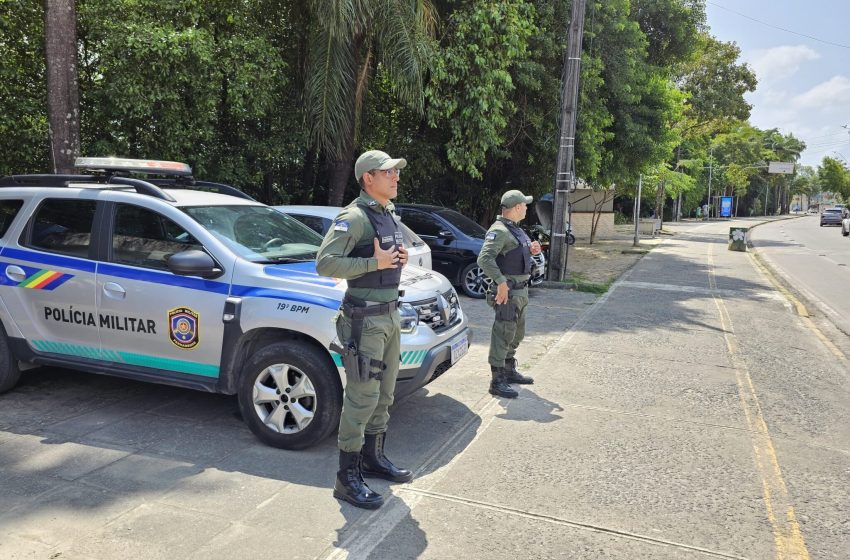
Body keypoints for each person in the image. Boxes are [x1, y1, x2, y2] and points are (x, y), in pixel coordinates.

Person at [315, 150, 412, 510]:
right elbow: (325, 263)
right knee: (361, 399)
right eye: (388, 172)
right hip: (364, 320)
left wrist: (395, 260)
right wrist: (377, 261)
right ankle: (346, 478)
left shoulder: (386, 215)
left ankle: (373, 459)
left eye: (395, 172)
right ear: (368, 178)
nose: (395, 177)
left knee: (385, 394)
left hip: (389, 315)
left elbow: (388, 260)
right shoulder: (354, 217)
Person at [476, 190, 543, 399]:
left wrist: (532, 250)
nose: (526, 208)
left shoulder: (516, 230)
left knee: (516, 334)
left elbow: (514, 255)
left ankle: (508, 370)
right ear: (516, 207)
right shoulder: (500, 230)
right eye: (524, 205)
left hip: (521, 291)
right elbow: (484, 259)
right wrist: (501, 282)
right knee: (503, 334)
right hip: (509, 292)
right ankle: (497, 380)